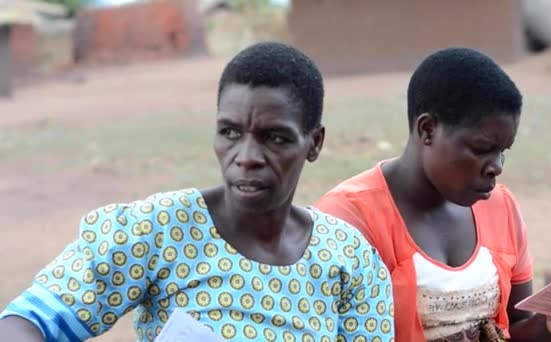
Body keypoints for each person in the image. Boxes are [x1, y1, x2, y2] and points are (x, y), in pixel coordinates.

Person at [0, 42, 395, 342]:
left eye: (274, 138)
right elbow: (30, 320)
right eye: (230, 133)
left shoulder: (349, 259)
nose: (246, 157)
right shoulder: (161, 229)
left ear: (314, 143)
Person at [315, 47, 551, 341]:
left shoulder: (501, 208)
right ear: (428, 130)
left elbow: (513, 326)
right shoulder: (346, 222)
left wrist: (548, 325)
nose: (496, 167)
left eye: (503, 151)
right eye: (481, 149)